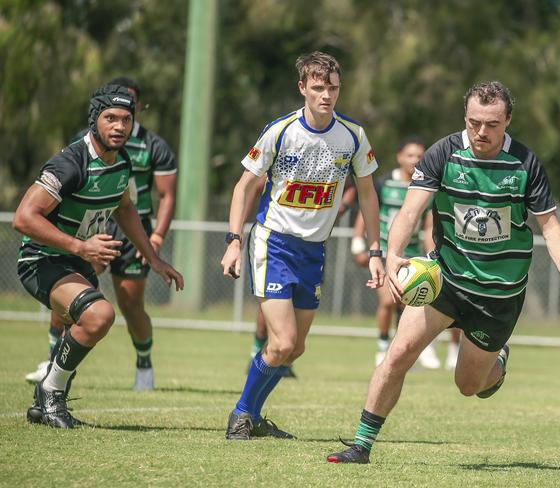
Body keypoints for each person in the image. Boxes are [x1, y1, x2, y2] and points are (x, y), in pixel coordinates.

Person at [327, 81, 560, 463]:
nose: (481, 132)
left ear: (507, 121)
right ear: (464, 118)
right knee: (399, 352)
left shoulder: (525, 163)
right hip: (446, 279)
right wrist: (394, 256)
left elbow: (549, 225)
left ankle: (497, 361)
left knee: (469, 386)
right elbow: (410, 210)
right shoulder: (443, 153)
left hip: (498, 295)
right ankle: (361, 445)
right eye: (474, 123)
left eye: (491, 124)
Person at [221, 51, 385, 440]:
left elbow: (368, 195)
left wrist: (376, 251)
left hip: (314, 250)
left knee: (295, 350)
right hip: (273, 243)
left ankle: (253, 417)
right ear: (302, 89)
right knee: (283, 342)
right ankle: (241, 416)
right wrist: (233, 240)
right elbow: (244, 185)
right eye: (317, 88)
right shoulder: (281, 131)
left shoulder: (354, 136)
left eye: (332, 87)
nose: (326, 95)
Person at [13, 84, 183, 428]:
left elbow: (125, 210)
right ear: (95, 120)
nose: (119, 126)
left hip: (74, 261)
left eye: (126, 119)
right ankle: (51, 391)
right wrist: (81, 247)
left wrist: (154, 257)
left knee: (88, 323)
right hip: (41, 259)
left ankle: (44, 402)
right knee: (99, 315)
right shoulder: (70, 163)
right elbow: (23, 218)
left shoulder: (122, 164)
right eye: (110, 118)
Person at [351, 136, 461, 370]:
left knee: (415, 301)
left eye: (420, 156)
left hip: (411, 256)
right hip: (383, 253)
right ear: (399, 157)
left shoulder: (427, 187)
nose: (415, 160)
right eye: (410, 155)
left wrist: (432, 257)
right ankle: (382, 348)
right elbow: (366, 213)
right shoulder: (384, 184)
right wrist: (358, 243)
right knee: (388, 301)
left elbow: (429, 225)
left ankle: (420, 348)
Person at [246, 181, 358, 379]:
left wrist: (343, 204)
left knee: (295, 348)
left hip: (312, 248)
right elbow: (253, 184)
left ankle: (279, 362)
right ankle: (256, 354)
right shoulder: (285, 152)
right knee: (281, 338)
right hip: (277, 244)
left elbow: (355, 185)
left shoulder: (340, 154)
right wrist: (236, 233)